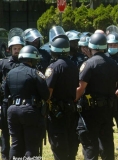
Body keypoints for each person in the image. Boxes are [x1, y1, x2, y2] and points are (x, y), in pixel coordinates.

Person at [76, 32, 118, 160]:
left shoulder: (89, 63)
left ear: (90, 47)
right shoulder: (112, 63)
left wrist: (73, 99)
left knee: (90, 143)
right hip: (107, 109)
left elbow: (81, 87)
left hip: (91, 111)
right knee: (106, 142)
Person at [5, 45, 49, 159]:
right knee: (32, 144)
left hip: (13, 110)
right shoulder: (36, 73)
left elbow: (5, 94)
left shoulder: (10, 73)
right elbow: (46, 95)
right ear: (32, 59)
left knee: (15, 143)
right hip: (30, 110)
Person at [45, 26, 79, 160]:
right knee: (71, 141)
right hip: (71, 109)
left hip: (56, 113)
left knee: (58, 144)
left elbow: (48, 90)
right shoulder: (74, 65)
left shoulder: (53, 67)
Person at [0, 28, 25, 160]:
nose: (17, 51)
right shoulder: (3, 63)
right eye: (15, 48)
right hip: (6, 102)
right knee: (5, 131)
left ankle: (18, 155)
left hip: (20, 103)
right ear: (10, 49)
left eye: (19, 48)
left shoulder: (26, 63)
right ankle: (5, 155)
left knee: (19, 131)